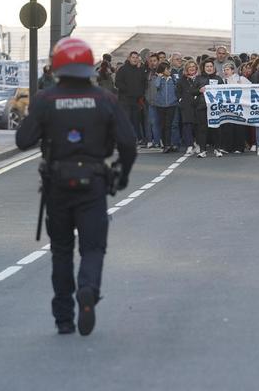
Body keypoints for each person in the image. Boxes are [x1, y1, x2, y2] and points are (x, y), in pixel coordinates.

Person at [16, 37, 137, 336]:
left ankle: (63, 319)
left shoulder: (46, 99)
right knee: (93, 247)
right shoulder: (105, 99)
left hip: (57, 183)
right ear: (89, 66)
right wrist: (121, 174)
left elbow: (23, 141)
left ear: (57, 66)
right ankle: (88, 289)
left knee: (61, 251)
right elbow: (128, 142)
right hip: (94, 181)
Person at [115, 51, 147, 144]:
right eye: (133, 57)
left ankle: (135, 139)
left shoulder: (140, 70)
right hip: (125, 99)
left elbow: (144, 83)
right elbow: (117, 83)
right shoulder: (123, 69)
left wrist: (141, 93)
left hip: (136, 100)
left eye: (137, 58)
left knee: (136, 121)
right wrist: (127, 90)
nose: (135, 59)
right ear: (129, 58)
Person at [194, 59, 224, 158]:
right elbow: (191, 91)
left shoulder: (219, 79)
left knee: (217, 128)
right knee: (202, 129)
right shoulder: (198, 78)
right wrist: (199, 90)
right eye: (207, 66)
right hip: (202, 107)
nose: (209, 68)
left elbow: (224, 92)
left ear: (213, 68)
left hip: (215, 108)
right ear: (203, 68)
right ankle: (203, 150)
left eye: (211, 66)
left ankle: (217, 149)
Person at [221, 62, 250, 153]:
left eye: (228, 69)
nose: (226, 72)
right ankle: (227, 147)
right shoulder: (222, 80)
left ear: (233, 70)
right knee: (228, 126)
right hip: (227, 107)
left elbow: (252, 88)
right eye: (224, 70)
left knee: (239, 127)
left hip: (240, 107)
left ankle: (239, 147)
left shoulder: (241, 79)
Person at [153, 61, 179, 153]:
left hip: (172, 104)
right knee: (163, 125)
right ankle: (166, 144)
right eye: (167, 69)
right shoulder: (159, 78)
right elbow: (156, 85)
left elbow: (177, 88)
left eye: (169, 69)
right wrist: (159, 77)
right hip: (161, 105)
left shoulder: (172, 79)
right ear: (162, 70)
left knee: (170, 125)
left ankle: (171, 144)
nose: (169, 71)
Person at [176, 60, 200, 155]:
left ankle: (198, 144)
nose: (192, 68)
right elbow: (178, 92)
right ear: (186, 69)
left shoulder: (199, 78)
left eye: (193, 66)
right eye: (189, 67)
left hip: (198, 105)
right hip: (186, 106)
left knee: (197, 126)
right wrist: (180, 100)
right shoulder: (182, 80)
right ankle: (189, 145)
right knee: (187, 126)